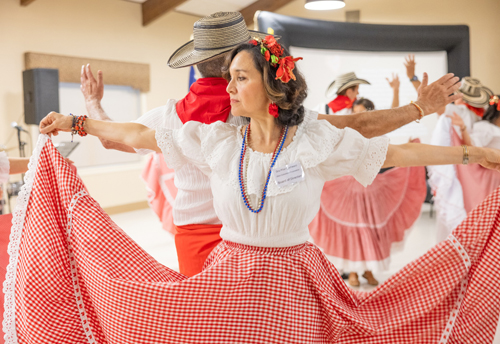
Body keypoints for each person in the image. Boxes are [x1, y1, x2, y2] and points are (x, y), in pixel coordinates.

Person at [27, 37, 500, 343]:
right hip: (229, 275)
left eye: (240, 78)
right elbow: (135, 135)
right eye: (228, 76)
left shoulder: (314, 141)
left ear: (273, 86)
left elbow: (395, 154)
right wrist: (78, 121)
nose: (228, 88)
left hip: (294, 282)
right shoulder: (216, 140)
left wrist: (471, 155)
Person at [82, 12, 463, 277]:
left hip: (195, 236)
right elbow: (358, 124)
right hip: (265, 233)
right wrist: (418, 108)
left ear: (195, 63)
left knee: (210, 325)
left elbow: (117, 138)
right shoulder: (261, 106)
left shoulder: (168, 116)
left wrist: (91, 106)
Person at [310, 95, 427, 288]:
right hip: (348, 186)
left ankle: (368, 270)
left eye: (362, 113)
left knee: (369, 227)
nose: (358, 117)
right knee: (355, 227)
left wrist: (396, 91)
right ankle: (354, 271)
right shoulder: (346, 132)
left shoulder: (376, 133)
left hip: (371, 185)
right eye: (355, 114)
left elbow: (390, 131)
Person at [428, 77, 494, 241]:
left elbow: (438, 109)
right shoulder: (481, 114)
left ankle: (456, 244)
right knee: (475, 205)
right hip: (477, 164)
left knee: (457, 201)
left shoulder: (458, 112)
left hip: (462, 162)